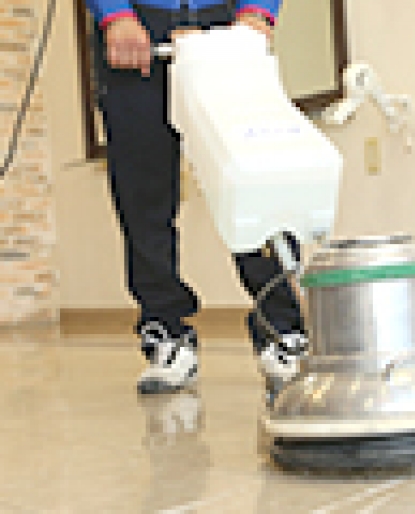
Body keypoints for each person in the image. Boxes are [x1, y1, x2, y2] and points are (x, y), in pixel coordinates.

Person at [87, 0, 307, 396]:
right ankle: (166, 332)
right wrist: (114, 13)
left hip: (226, 24)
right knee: (143, 194)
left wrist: (258, 10)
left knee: (255, 181)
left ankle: (282, 327)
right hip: (136, 25)